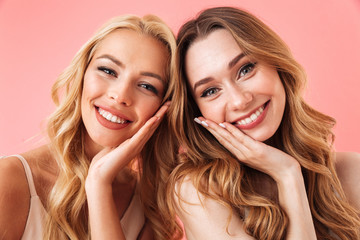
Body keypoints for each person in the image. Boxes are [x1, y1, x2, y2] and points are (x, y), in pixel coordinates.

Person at [155, 7, 360, 240]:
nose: (240, 100)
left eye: (245, 69)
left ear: (276, 63)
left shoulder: (352, 170)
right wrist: (287, 174)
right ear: (197, 110)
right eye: (211, 91)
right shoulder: (197, 192)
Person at [0, 14, 176, 240]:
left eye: (146, 86)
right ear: (82, 73)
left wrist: (99, 184)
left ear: (164, 107)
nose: (120, 95)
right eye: (108, 71)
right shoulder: (9, 179)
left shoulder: (149, 203)